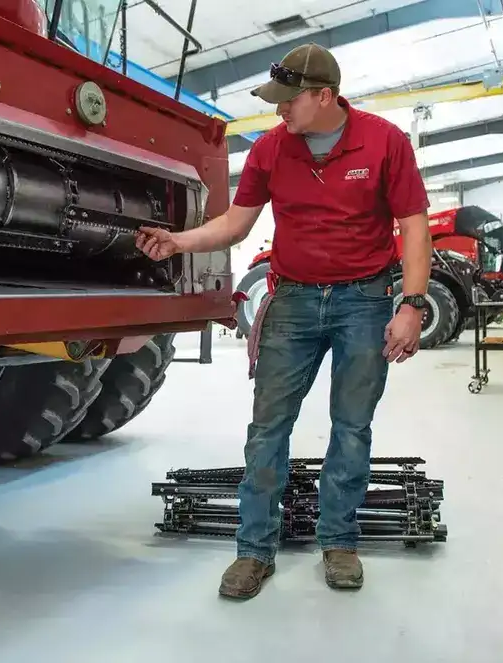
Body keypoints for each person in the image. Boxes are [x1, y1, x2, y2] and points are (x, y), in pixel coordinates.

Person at [135, 43, 432, 599]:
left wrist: (411, 305)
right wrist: (178, 242)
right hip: (292, 301)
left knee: (351, 426)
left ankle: (338, 541)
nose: (279, 112)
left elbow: (415, 226)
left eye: (288, 101)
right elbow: (236, 224)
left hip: (363, 301)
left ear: (325, 96)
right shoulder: (272, 149)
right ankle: (253, 552)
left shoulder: (385, 141)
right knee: (268, 428)